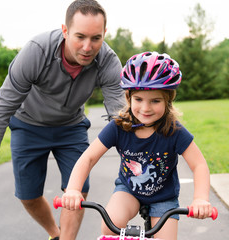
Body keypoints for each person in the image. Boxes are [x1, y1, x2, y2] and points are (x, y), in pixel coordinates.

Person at [0, 0, 125, 239]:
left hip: (71, 128)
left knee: (77, 191)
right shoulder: (37, 51)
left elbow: (119, 114)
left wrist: (136, 154)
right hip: (28, 125)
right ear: (65, 31)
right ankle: (55, 233)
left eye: (96, 38)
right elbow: (2, 108)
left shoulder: (108, 61)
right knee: (28, 196)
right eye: (80, 36)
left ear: (105, 34)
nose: (87, 46)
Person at [60, 51, 213, 240]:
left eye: (155, 101)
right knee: (110, 227)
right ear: (128, 98)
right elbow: (88, 157)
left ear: (168, 101)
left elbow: (199, 165)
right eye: (138, 99)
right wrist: (74, 189)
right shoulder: (118, 127)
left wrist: (200, 199)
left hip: (163, 197)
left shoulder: (174, 131)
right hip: (129, 191)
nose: (145, 108)